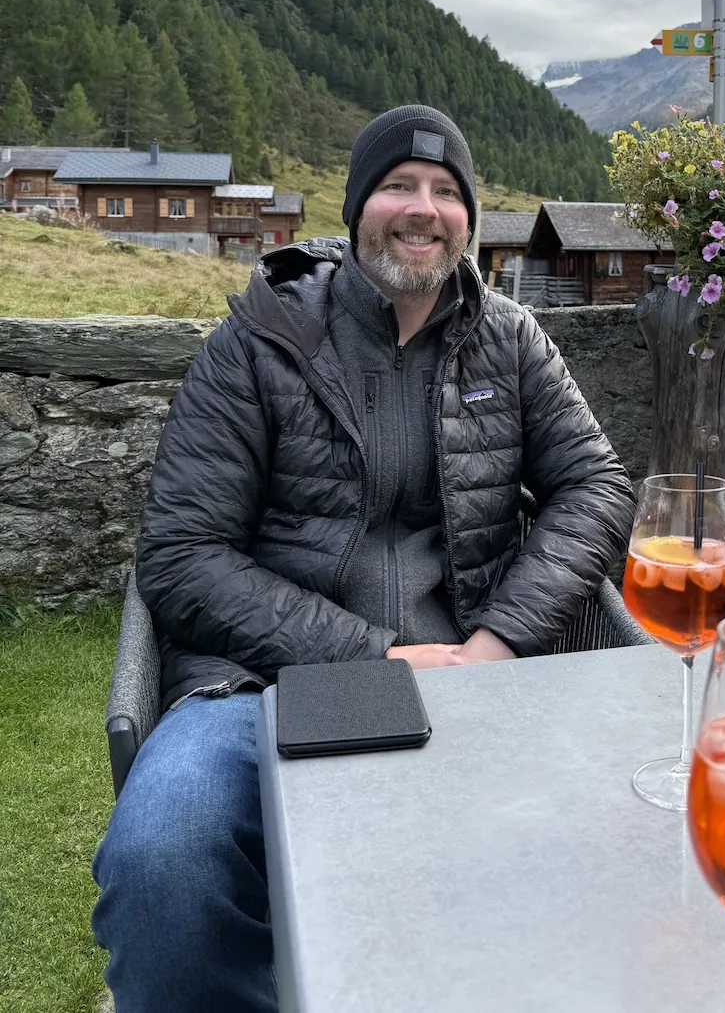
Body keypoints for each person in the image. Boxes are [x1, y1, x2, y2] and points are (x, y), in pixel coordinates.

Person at [92, 104, 635, 1013]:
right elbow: (182, 556)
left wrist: (499, 641)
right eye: (396, 185)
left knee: (631, 830)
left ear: (467, 218)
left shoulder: (509, 339)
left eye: (446, 191)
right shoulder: (259, 341)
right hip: (258, 683)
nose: (423, 208)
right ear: (355, 210)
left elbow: (597, 485)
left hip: (471, 677)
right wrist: (377, 657)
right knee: (163, 859)